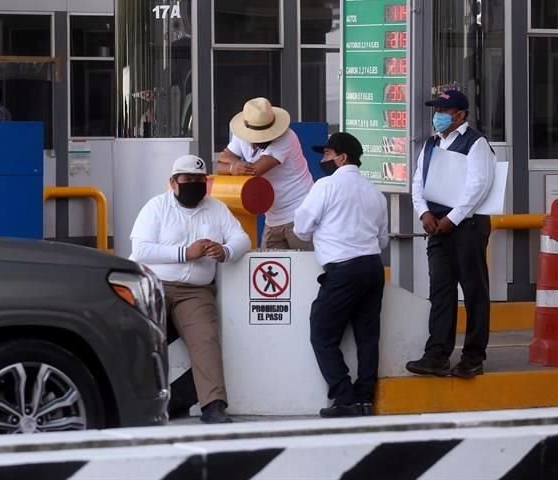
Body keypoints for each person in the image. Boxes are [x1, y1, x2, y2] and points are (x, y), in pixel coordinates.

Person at [129, 154, 251, 424]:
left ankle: (214, 404)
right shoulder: (156, 207)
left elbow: (242, 238)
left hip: (195, 291)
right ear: (173, 182)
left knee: (205, 340)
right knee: (142, 340)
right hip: (153, 285)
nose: (195, 184)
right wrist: (186, 252)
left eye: (200, 180)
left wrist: (226, 251)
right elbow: (141, 249)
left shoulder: (217, 208)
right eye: (188, 179)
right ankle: (138, 404)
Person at [293, 132, 388, 417]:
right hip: (372, 267)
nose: (323, 160)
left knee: (322, 333)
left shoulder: (326, 186)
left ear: (342, 157)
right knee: (368, 337)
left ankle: (344, 397)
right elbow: (382, 240)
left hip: (342, 270)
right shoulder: (375, 192)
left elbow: (301, 227)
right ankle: (365, 398)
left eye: (327, 154)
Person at [406, 89, 496, 379]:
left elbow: (478, 186)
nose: (438, 117)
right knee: (441, 293)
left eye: (444, 112)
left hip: (466, 226)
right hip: (437, 226)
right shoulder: (432, 144)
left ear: (460, 115)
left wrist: (453, 219)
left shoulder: (476, 143)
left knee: (474, 291)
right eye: (437, 111)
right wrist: (424, 213)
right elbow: (418, 181)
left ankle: (473, 357)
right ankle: (437, 355)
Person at [216, 97, 314, 250]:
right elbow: (221, 163)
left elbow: (254, 172)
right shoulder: (241, 137)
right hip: (273, 217)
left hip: (300, 215)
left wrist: (233, 167)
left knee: (304, 268)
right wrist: (233, 167)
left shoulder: (287, 138)